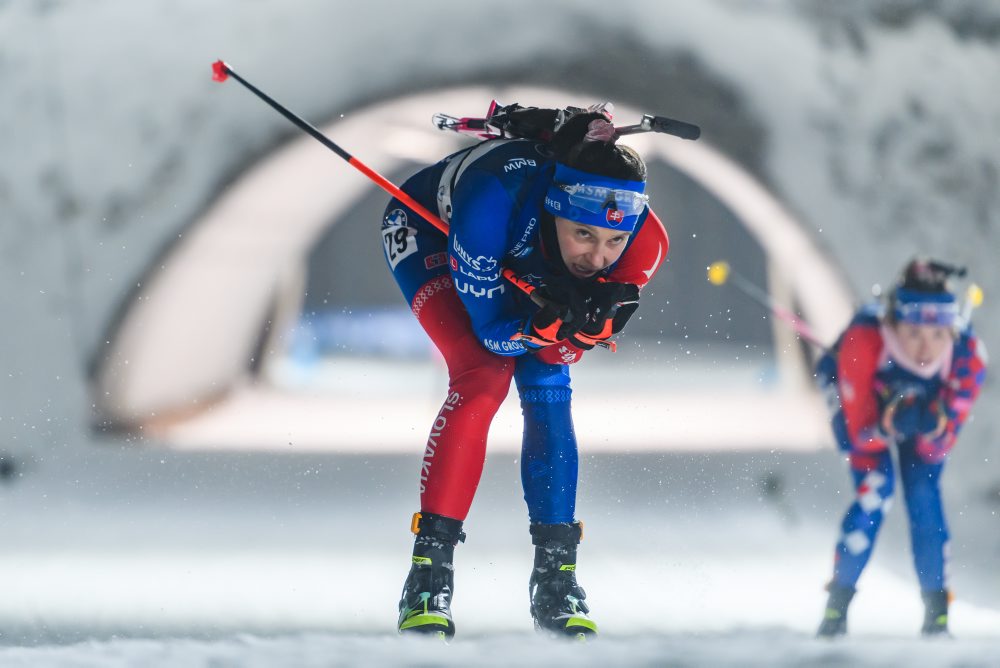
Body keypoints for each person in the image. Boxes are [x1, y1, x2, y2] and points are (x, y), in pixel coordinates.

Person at [379, 105, 668, 639]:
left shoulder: (646, 245)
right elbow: (492, 330)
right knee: (482, 376)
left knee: (547, 384)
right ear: (556, 209)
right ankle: (428, 575)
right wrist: (542, 328)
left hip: (523, 257)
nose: (598, 258)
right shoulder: (492, 202)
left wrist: (586, 331)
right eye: (583, 234)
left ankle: (556, 579)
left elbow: (579, 338)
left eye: (614, 241)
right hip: (434, 233)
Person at [814, 258, 987, 638]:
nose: (926, 347)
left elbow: (934, 451)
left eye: (939, 334)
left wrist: (932, 426)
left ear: (953, 331)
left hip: (905, 416)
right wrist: (888, 424)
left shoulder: (967, 358)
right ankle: (836, 610)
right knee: (876, 492)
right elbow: (858, 436)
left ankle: (937, 615)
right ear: (893, 324)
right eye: (913, 333)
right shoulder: (864, 342)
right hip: (858, 407)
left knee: (923, 494)